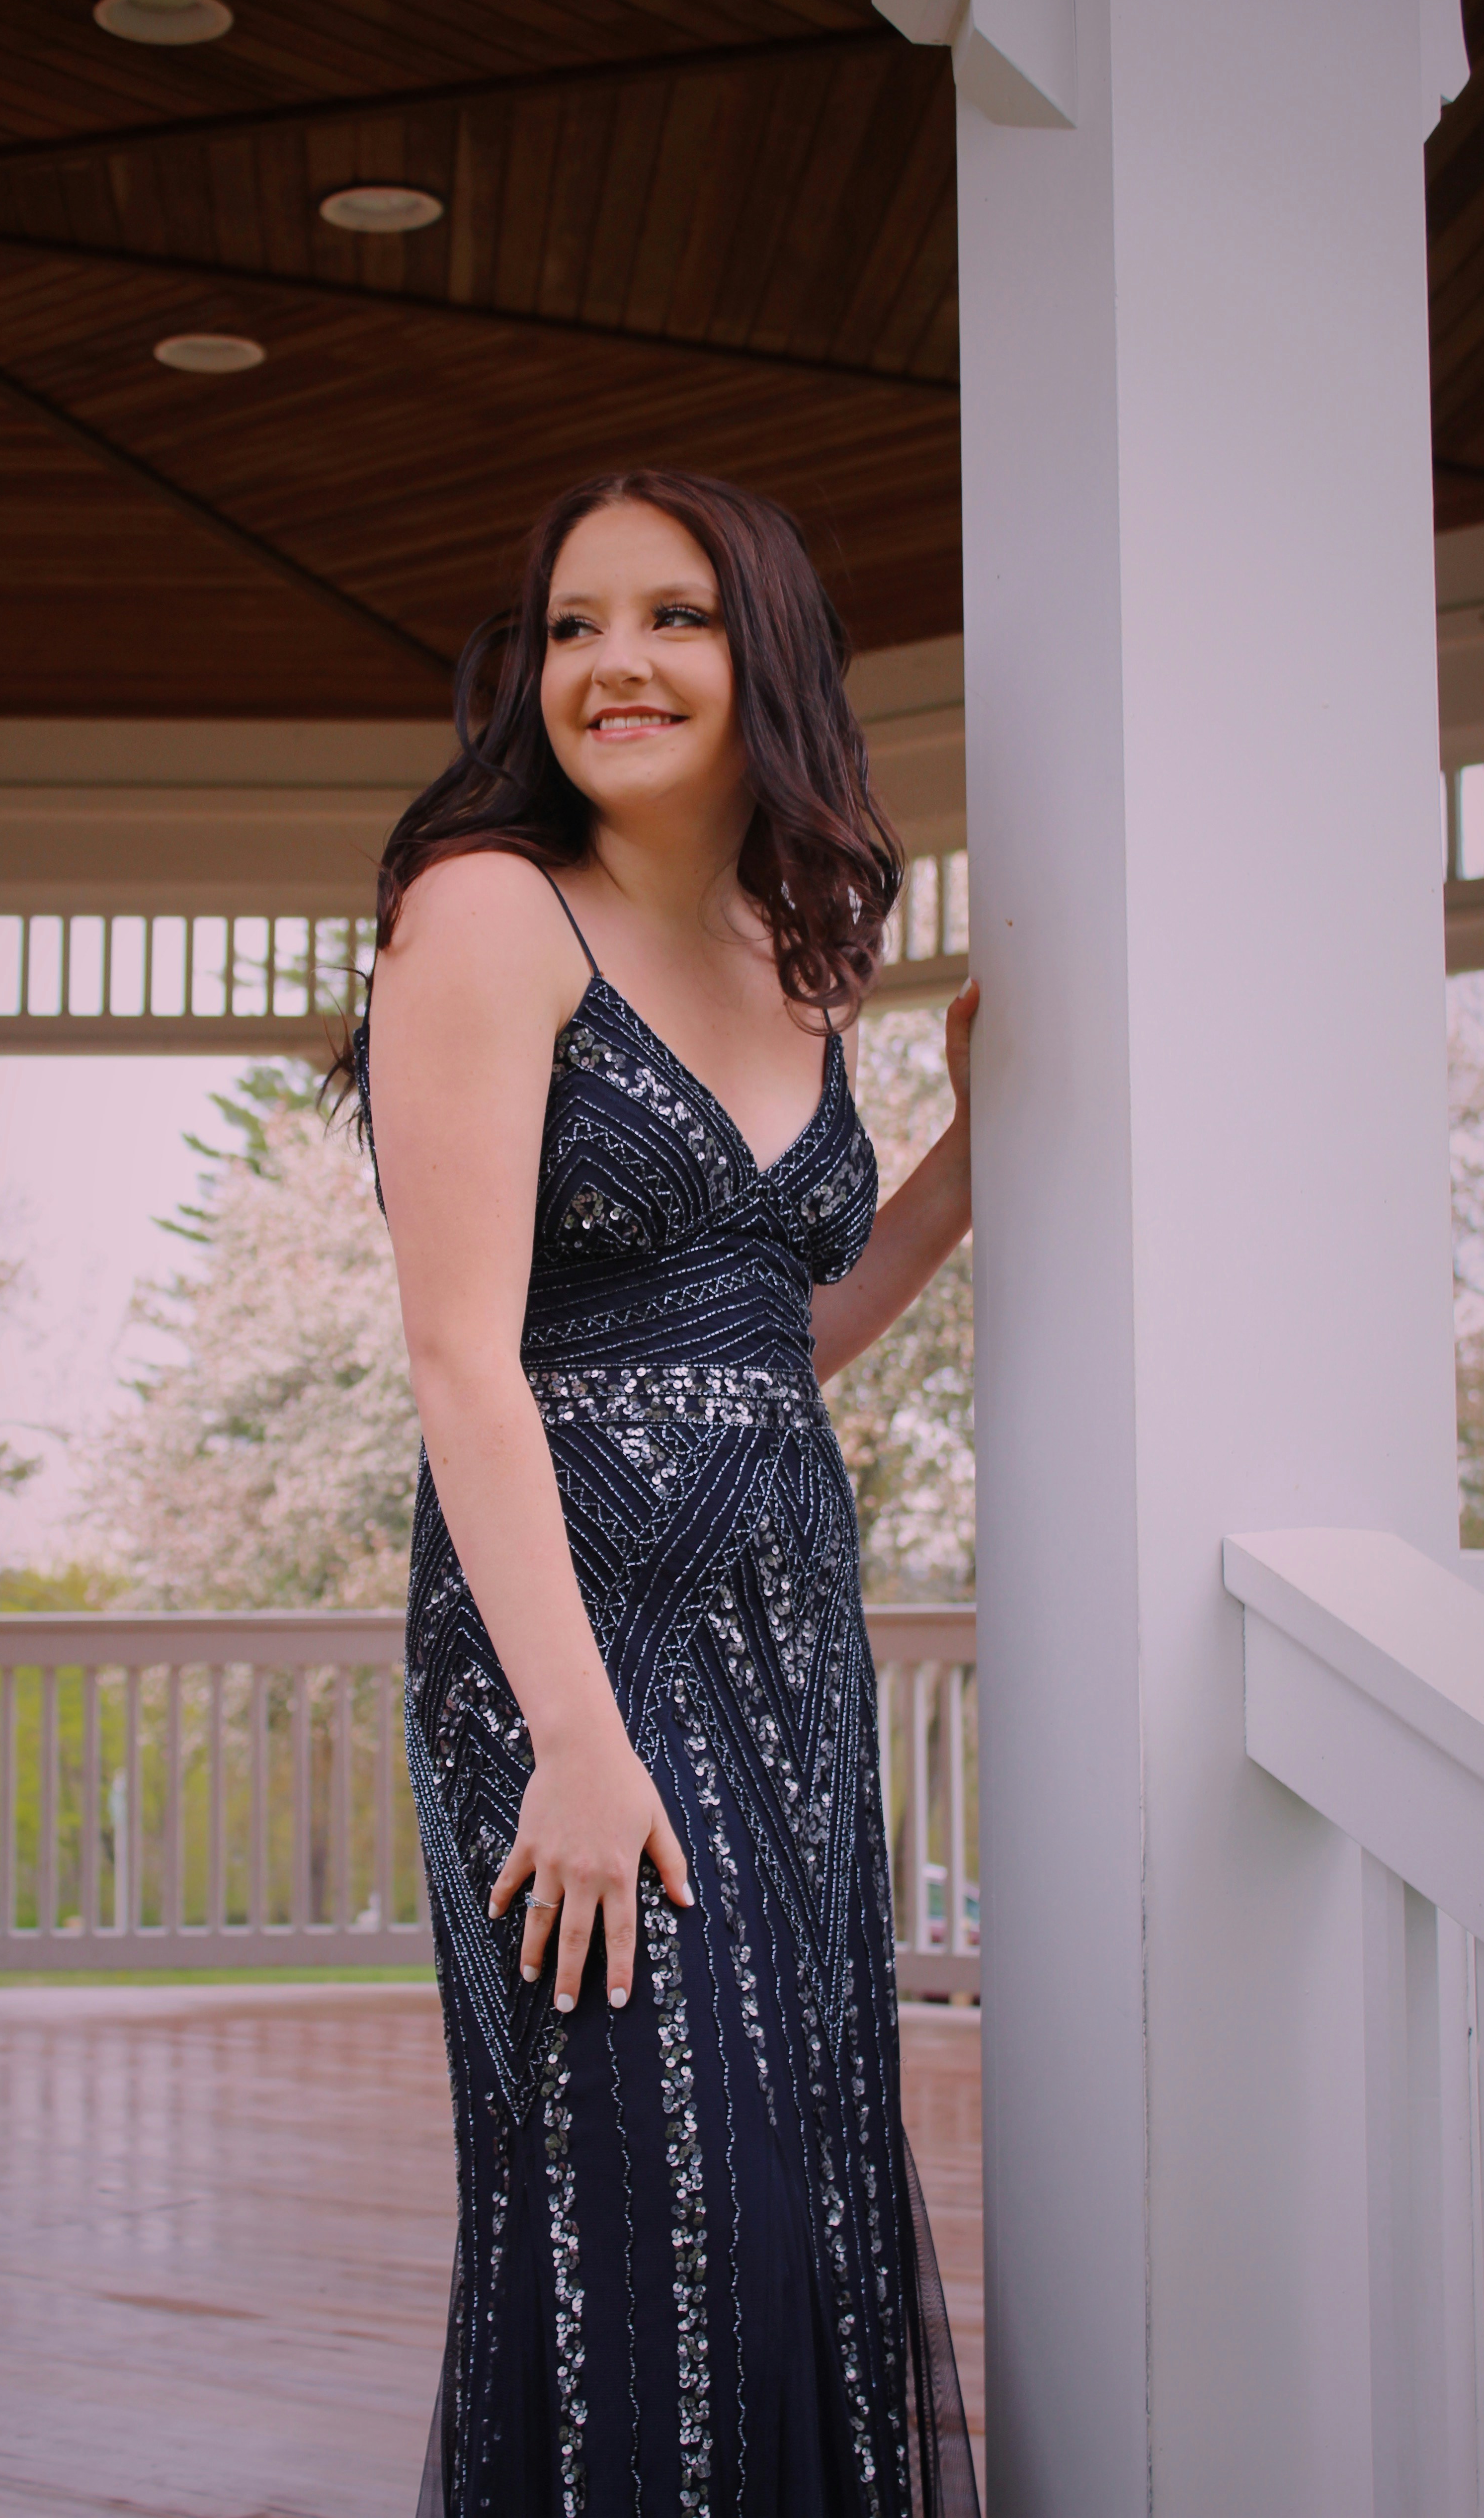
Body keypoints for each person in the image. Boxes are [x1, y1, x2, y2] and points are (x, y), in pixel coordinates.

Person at [334, 468, 981, 2517]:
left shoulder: (797, 958)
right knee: (649, 2201)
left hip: (788, 1641)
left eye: (674, 616)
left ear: (763, 647)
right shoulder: (487, 913)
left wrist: (977, 1143)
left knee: (785, 2176)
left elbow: (793, 1332)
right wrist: (579, 1741)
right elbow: (462, 1356)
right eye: (575, 622)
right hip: (567, 1661)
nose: (613, 663)